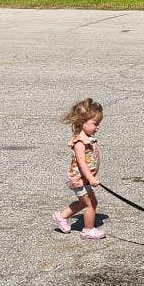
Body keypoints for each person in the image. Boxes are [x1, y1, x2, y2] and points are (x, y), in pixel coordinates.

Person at [54, 97, 106, 240]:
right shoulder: (80, 142)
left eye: (98, 124)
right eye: (95, 124)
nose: (97, 127)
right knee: (90, 204)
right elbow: (82, 163)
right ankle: (88, 230)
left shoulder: (88, 137)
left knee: (84, 203)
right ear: (82, 122)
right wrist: (91, 178)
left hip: (84, 179)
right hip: (80, 179)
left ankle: (62, 217)